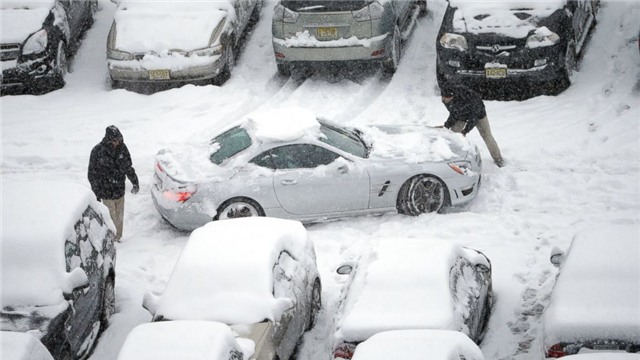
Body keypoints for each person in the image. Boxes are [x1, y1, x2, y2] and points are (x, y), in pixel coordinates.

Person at [88, 125, 139, 241]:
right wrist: (96, 193)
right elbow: (92, 174)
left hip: (120, 190)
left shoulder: (122, 149)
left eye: (119, 140)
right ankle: (110, 240)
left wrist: (135, 181)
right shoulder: (97, 151)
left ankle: (118, 238)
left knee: (119, 218)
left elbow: (128, 166)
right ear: (108, 139)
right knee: (110, 218)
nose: (118, 143)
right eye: (115, 140)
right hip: (106, 192)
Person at [440, 84, 505, 167]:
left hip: (478, 114)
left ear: (452, 96)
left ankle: (498, 159)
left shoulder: (470, 98)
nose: (443, 100)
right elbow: (453, 113)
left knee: (486, 135)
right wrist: (446, 126)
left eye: (445, 98)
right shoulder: (446, 99)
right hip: (462, 114)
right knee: (453, 134)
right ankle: (451, 158)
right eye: (442, 97)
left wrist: (465, 131)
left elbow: (474, 118)